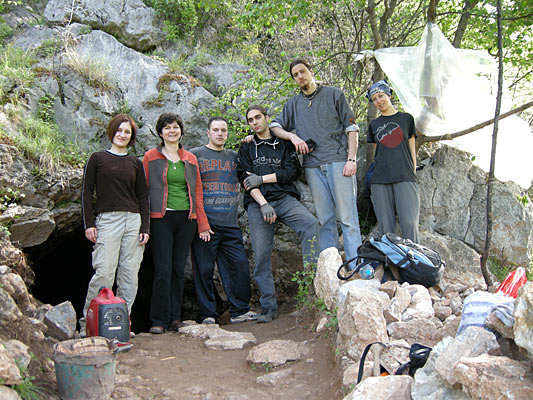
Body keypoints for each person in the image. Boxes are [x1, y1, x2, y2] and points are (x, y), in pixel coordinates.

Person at [269, 59, 362, 267]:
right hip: (312, 166)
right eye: (295, 75)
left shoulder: (334, 95)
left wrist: (351, 159)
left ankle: (356, 264)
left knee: (348, 218)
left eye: (303, 71)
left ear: (311, 71)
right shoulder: (293, 104)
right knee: (325, 219)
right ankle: (331, 266)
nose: (300, 76)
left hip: (339, 161)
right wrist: (293, 137)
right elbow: (275, 125)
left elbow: (352, 129)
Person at [238, 105, 318, 323]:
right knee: (261, 255)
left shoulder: (283, 144)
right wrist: (263, 204)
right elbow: (246, 180)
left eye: (257, 117)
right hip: (258, 204)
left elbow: (291, 172)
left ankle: (313, 285)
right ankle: (268, 307)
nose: (254, 122)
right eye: (250, 120)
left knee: (310, 224)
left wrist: (263, 178)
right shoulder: (246, 148)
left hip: (284, 199)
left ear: (266, 118)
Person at [81, 114, 149, 337]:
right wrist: (89, 223)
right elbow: (86, 193)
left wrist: (145, 228)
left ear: (131, 137)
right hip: (107, 219)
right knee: (104, 273)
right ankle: (88, 324)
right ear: (112, 132)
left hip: (133, 220)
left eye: (127, 132)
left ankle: (121, 324)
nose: (122, 135)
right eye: (119, 130)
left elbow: (142, 196)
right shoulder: (97, 158)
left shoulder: (135, 163)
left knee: (130, 274)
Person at [143, 113, 211, 334]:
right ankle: (158, 320)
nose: (172, 131)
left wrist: (202, 223)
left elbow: (197, 191)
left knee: (179, 270)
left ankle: (175, 318)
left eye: (175, 127)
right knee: (163, 269)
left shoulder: (190, 158)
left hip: (186, 219)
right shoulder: (150, 157)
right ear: (160, 132)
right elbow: (142, 192)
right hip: (160, 218)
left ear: (181, 131)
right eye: (167, 128)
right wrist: (143, 225)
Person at [190, 117, 257, 324]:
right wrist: (200, 222)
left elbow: (252, 167)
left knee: (239, 267)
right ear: (208, 132)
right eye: (216, 130)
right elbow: (189, 189)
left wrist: (250, 141)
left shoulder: (234, 157)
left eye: (224, 130)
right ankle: (208, 314)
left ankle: (240, 310)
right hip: (205, 225)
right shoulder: (195, 155)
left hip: (229, 224)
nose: (220, 134)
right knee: (204, 270)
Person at [366, 80, 419, 242]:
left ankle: (415, 264)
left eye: (381, 96)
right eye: (374, 99)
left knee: (409, 224)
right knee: (386, 229)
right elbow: (378, 152)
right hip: (380, 180)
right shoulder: (374, 124)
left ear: (389, 95)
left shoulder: (406, 119)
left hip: (404, 176)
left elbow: (411, 148)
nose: (378, 101)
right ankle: (390, 265)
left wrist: (412, 171)